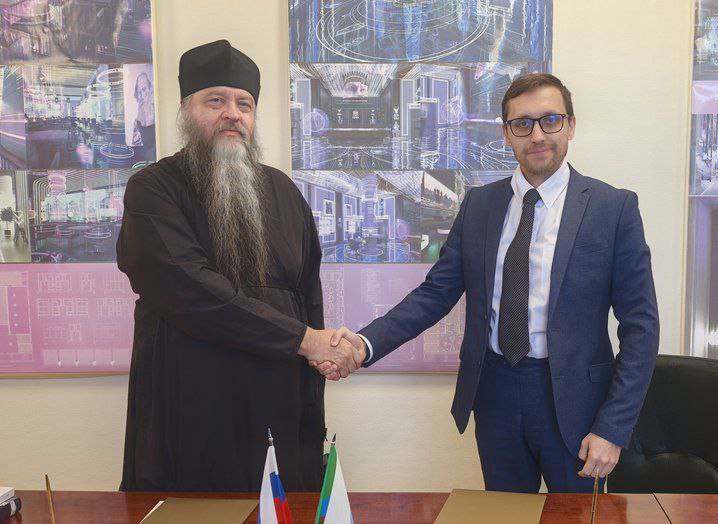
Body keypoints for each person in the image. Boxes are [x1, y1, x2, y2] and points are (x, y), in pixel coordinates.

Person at [320, 73, 659, 493]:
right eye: (523, 124)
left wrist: (613, 426)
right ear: (506, 134)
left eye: (551, 120)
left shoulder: (613, 208)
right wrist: (364, 343)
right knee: (504, 513)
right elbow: (436, 293)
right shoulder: (480, 205)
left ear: (571, 126)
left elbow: (641, 326)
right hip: (495, 392)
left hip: (577, 402)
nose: (537, 135)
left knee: (575, 518)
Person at [117, 40, 363, 493]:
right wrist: (306, 341)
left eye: (244, 104)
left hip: (279, 400)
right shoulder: (154, 188)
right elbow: (189, 289)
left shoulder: (284, 191)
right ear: (186, 109)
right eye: (216, 100)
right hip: (194, 403)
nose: (232, 113)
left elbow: (308, 297)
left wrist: (317, 376)